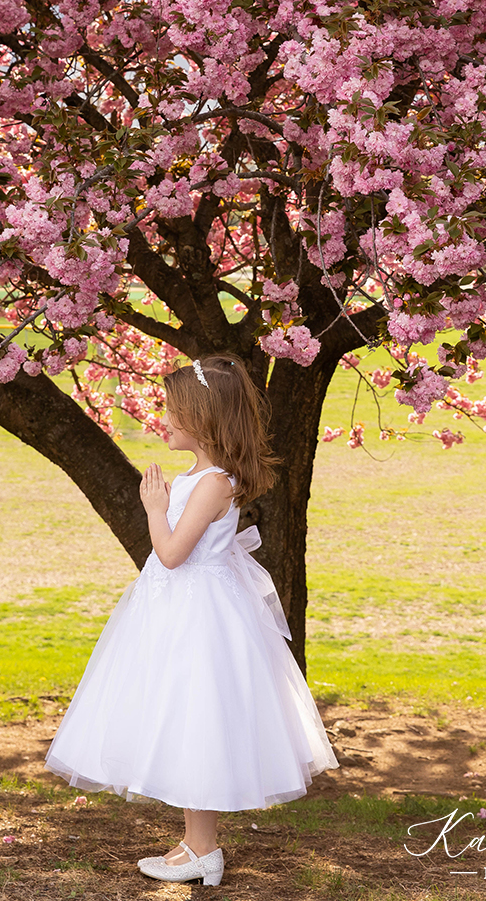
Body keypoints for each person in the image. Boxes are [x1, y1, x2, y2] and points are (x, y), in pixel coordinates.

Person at [44, 351, 338, 887]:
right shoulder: (200, 478)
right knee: (182, 721)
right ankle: (194, 843)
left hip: (198, 617)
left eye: (172, 410)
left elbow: (174, 553)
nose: (163, 418)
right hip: (176, 610)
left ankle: (204, 850)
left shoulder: (212, 484)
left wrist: (153, 507)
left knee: (196, 719)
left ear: (202, 419)